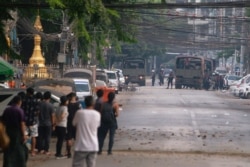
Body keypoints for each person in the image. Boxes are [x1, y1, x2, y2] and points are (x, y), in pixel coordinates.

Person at [72, 95, 101, 167]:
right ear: (94, 103)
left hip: (81, 145)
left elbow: (74, 124)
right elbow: (97, 126)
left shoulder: (79, 113)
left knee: (77, 165)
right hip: (93, 145)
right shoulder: (97, 114)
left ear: (85, 103)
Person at [1, 95, 28, 167]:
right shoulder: (20, 110)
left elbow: (3, 121)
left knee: (8, 149)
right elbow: (22, 124)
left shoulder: (7, 110)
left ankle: (8, 164)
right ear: (19, 102)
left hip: (8, 131)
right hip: (17, 132)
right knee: (19, 149)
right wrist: (24, 134)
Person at [21, 87, 39, 156]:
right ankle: (32, 151)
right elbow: (37, 111)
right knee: (33, 136)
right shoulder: (35, 100)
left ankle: (23, 151)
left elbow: (22, 110)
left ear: (28, 92)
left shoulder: (24, 100)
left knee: (24, 136)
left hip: (25, 121)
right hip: (33, 122)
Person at [66, 92, 81, 158]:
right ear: (74, 97)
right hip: (76, 123)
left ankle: (69, 152)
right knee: (77, 138)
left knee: (69, 138)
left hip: (69, 122)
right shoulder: (78, 105)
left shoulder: (67, 105)